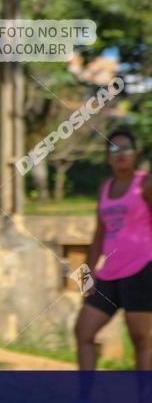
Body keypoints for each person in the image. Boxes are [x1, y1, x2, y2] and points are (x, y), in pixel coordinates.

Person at [74, 128, 152, 371]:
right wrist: (87, 274)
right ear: (107, 156)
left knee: (142, 341)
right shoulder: (105, 187)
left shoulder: (145, 184)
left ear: (135, 153)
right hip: (109, 273)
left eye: (126, 148)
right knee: (83, 332)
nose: (120, 154)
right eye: (114, 148)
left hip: (141, 270)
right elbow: (99, 234)